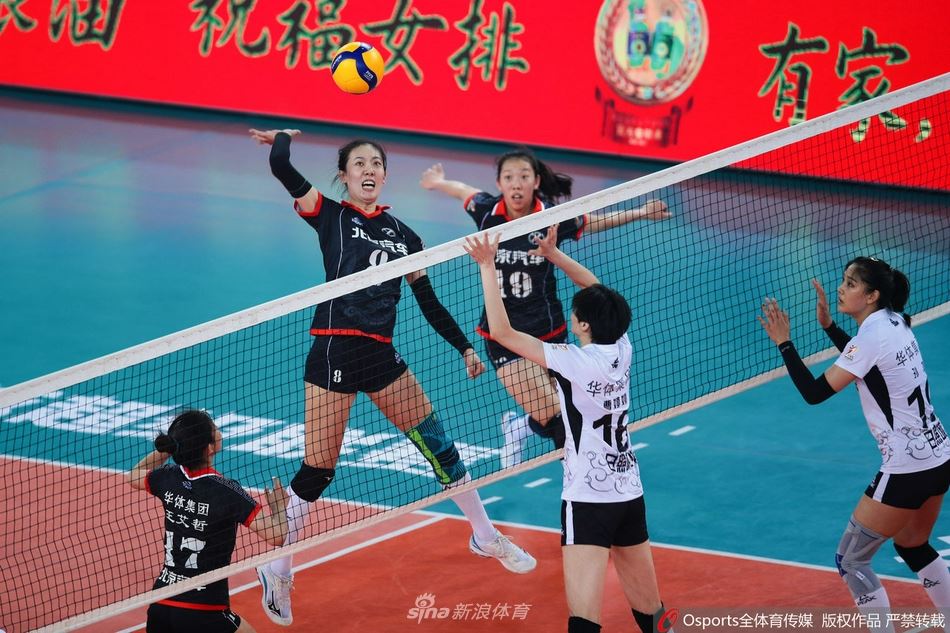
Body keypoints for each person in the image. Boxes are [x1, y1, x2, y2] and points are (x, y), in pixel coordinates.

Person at [248, 128, 537, 626]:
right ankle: (277, 570)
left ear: (384, 175)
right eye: (359, 164)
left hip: (381, 354)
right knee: (318, 471)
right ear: (344, 176)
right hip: (335, 347)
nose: (368, 170)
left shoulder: (405, 236)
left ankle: (485, 536)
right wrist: (281, 139)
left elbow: (428, 301)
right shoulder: (329, 214)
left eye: (376, 164)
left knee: (439, 446)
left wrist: (465, 347)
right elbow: (281, 168)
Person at [465, 231, 673, 633]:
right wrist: (554, 254)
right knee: (651, 612)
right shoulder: (623, 348)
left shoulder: (574, 361)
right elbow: (597, 289)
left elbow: (503, 334)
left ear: (582, 324)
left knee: (583, 621)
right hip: (629, 491)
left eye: (577, 314)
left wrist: (488, 266)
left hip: (588, 499)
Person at [421, 151, 670, 468]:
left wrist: (641, 212)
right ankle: (580, 485)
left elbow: (594, 221)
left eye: (524, 176)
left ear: (536, 181)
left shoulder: (551, 216)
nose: (516, 184)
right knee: (561, 424)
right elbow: (462, 191)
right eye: (509, 177)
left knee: (567, 408)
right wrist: (439, 182)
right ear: (499, 183)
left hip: (549, 332)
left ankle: (520, 427)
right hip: (505, 338)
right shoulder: (487, 211)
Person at [758, 256, 950, 631]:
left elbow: (814, 393)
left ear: (872, 295)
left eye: (851, 283)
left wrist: (784, 343)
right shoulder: (896, 321)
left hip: (906, 468)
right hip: (939, 457)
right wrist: (830, 327)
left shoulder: (871, 337)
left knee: (851, 561)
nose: (841, 288)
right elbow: (868, 363)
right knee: (913, 545)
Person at [129, 409, 288, 633]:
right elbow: (277, 535)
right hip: (204, 611)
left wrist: (170, 448)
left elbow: (135, 474)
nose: (219, 431)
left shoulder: (167, 479)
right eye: (215, 428)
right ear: (209, 448)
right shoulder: (226, 491)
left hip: (161, 606)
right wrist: (279, 508)